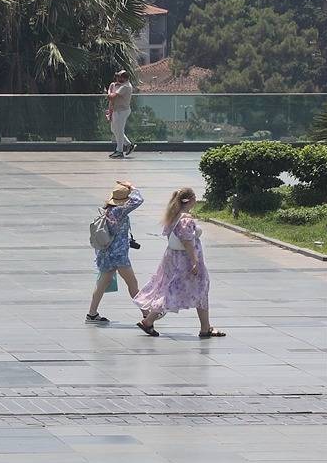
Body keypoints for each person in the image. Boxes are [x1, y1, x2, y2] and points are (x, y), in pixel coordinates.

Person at [134, 187, 226, 338]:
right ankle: (149, 321)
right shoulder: (186, 219)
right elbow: (187, 241)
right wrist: (195, 261)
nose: (196, 200)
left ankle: (205, 327)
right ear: (189, 200)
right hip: (186, 260)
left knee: (170, 288)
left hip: (172, 257)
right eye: (195, 197)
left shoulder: (173, 216)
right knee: (195, 288)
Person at [86, 180, 143, 324]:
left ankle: (92, 313)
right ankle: (147, 314)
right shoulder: (119, 210)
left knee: (101, 284)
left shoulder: (109, 210)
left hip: (106, 254)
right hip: (118, 255)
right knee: (132, 284)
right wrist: (131, 187)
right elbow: (139, 200)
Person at [106, 70, 136, 159]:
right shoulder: (119, 85)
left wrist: (108, 91)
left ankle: (119, 151)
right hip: (117, 110)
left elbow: (112, 97)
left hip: (122, 111)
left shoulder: (125, 87)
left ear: (124, 78)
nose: (117, 78)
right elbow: (112, 99)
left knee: (119, 130)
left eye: (119, 77)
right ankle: (129, 145)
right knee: (114, 129)